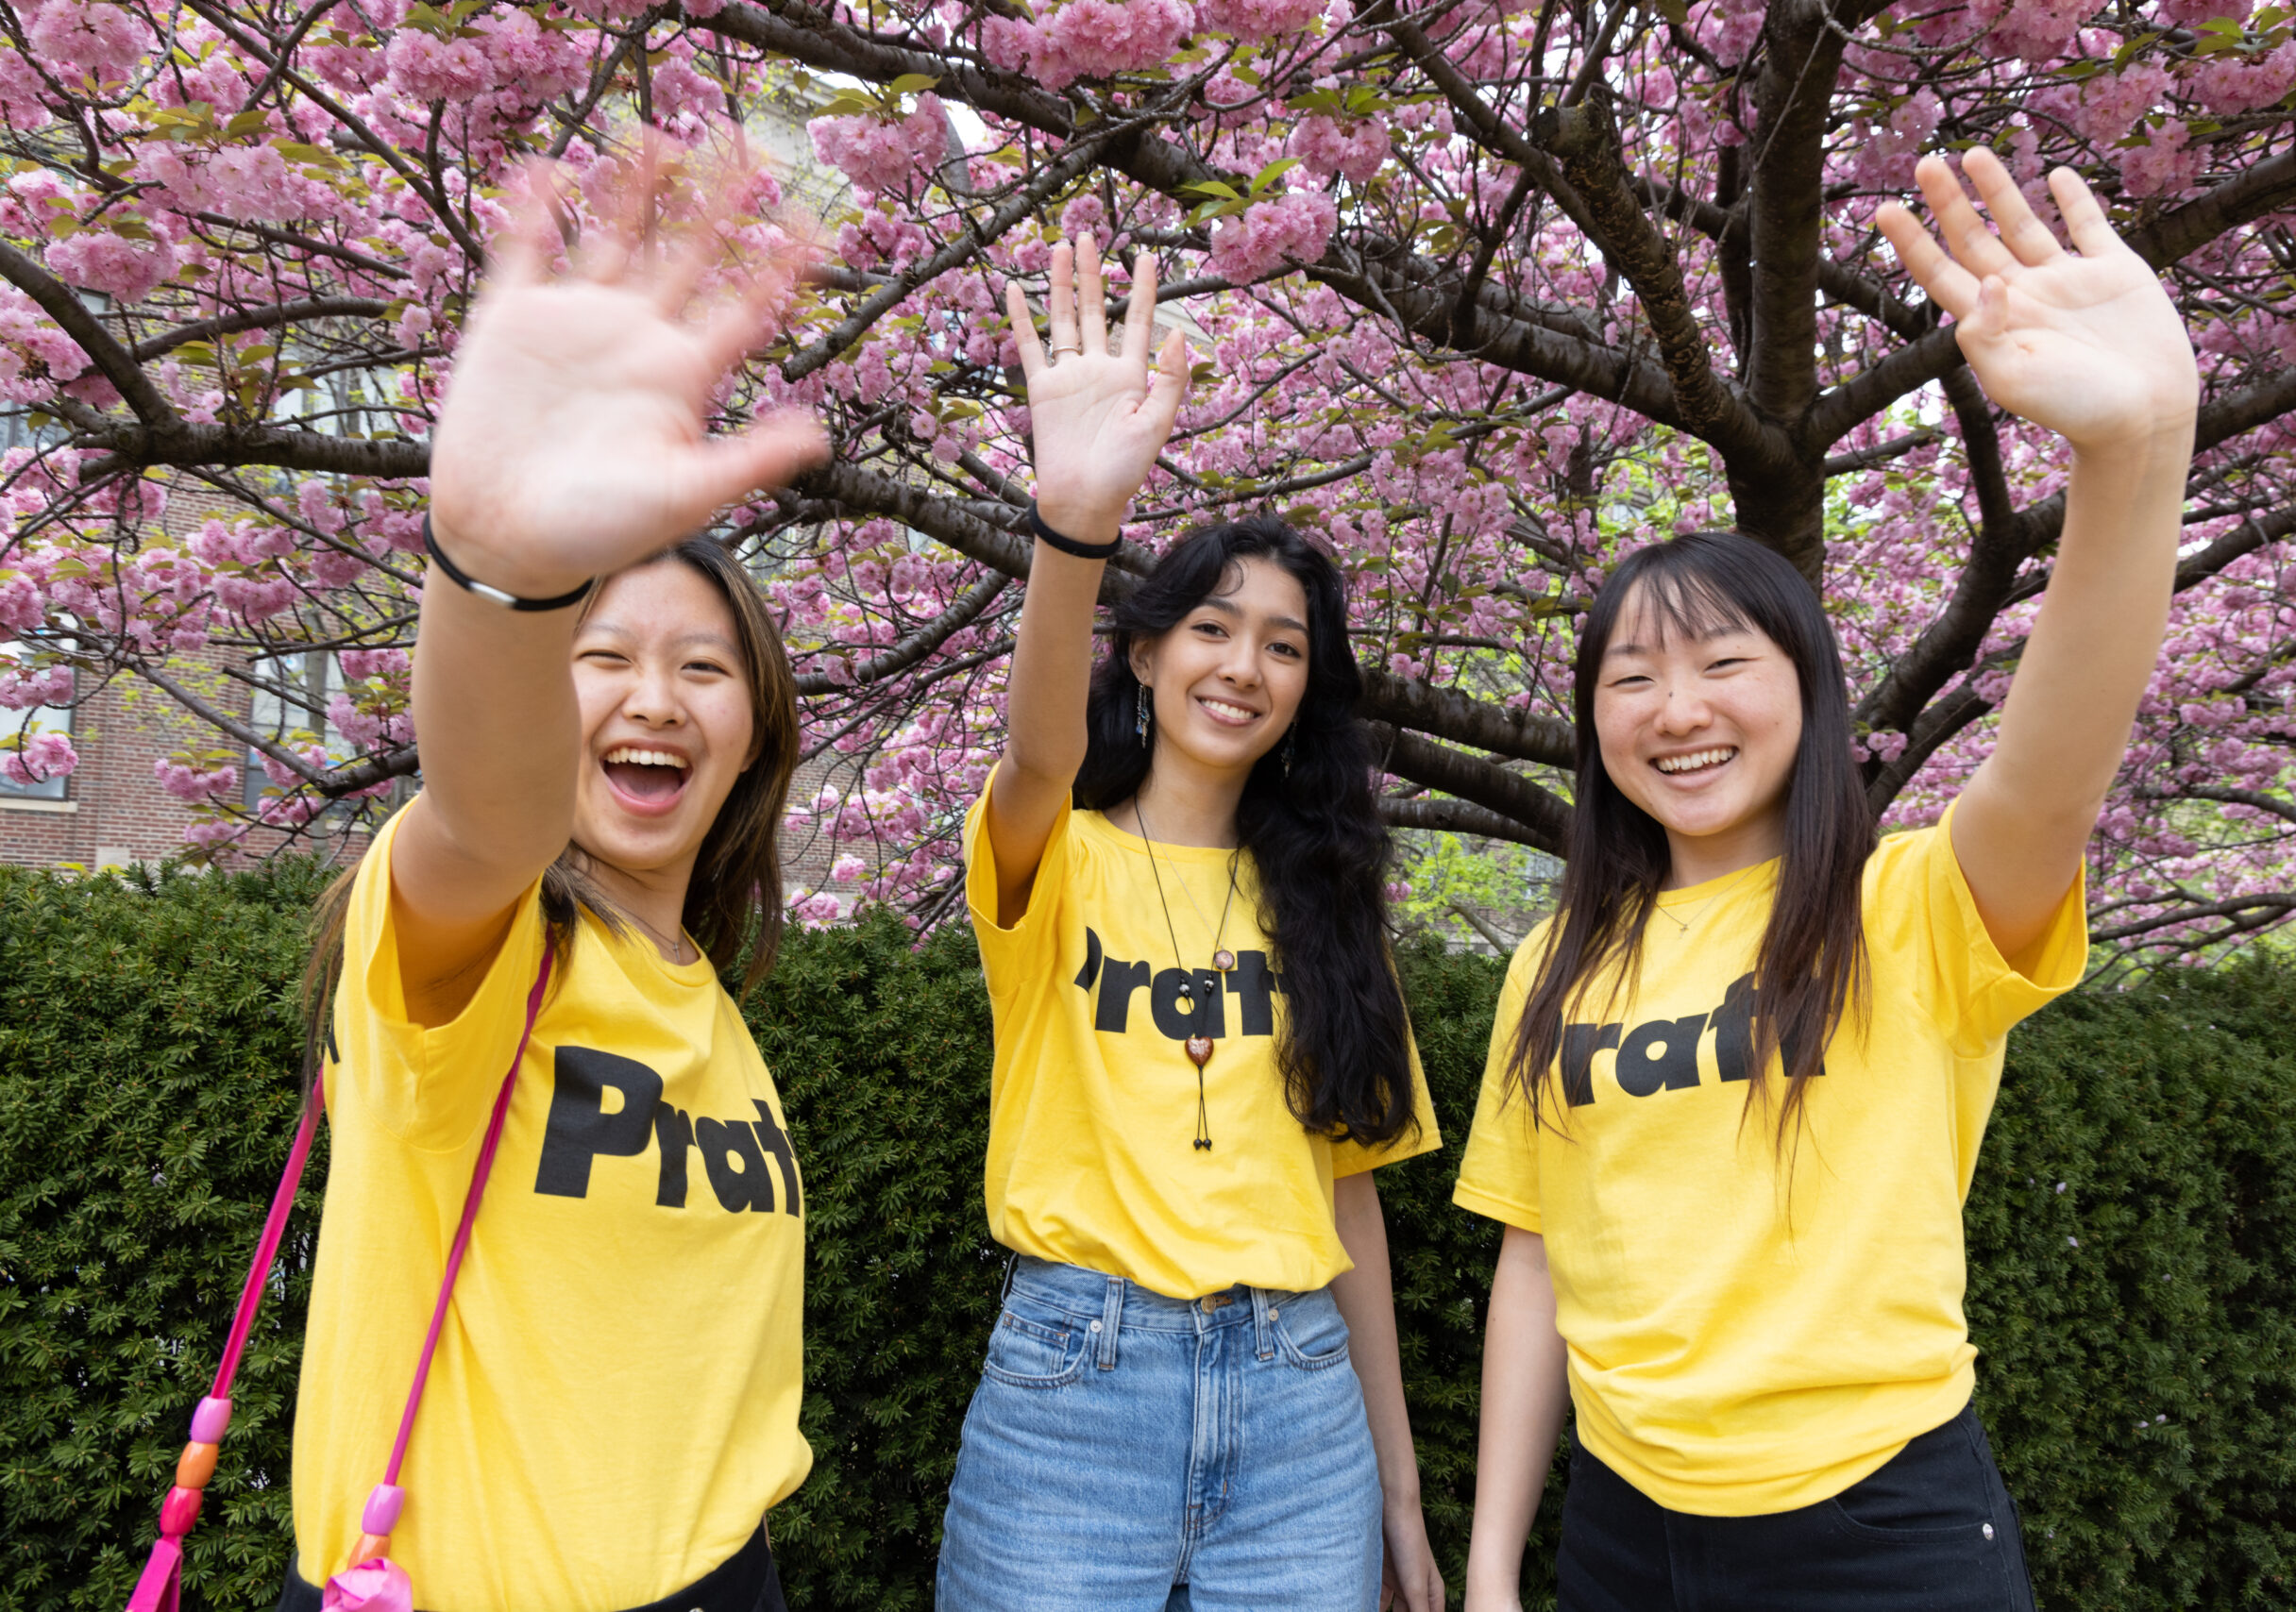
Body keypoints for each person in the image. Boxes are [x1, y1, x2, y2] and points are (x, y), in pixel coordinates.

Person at [1455, 149, 2199, 1612]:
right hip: (1623, 1533)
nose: (1679, 709)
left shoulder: (1911, 909)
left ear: (1808, 695)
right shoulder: (1557, 965)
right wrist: (1492, 1565)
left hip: (1878, 1532)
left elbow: (2054, 766)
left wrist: (2134, 454)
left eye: (1725, 663)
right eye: (1633, 676)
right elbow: (1537, 1268)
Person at [278, 155, 831, 1612]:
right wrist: (505, 580)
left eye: (703, 669)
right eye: (606, 659)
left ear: (753, 733)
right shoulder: (471, 940)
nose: (654, 699)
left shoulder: (708, 998)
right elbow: (488, 809)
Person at [932, 234, 1448, 1612]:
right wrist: (1074, 523)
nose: (1246, 666)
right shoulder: (1056, 857)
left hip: (1300, 1410)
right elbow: (1036, 753)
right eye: (1215, 630)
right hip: (1073, 1390)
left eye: (1285, 645)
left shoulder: (1333, 908)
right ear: (1148, 651)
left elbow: (1351, 1204)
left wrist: (1399, 1491)